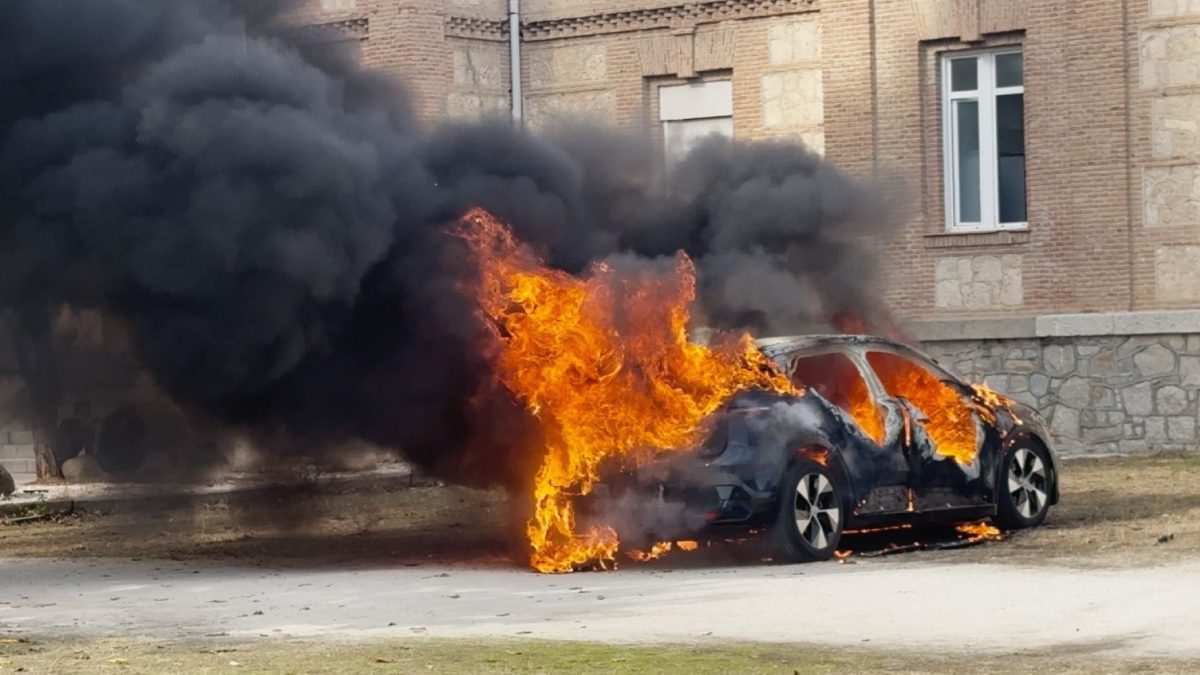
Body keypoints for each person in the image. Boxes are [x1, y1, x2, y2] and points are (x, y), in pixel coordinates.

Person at [96, 406, 146, 473]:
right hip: (111, 462)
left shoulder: (134, 422)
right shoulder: (110, 421)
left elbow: (141, 436)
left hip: (129, 462)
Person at [54, 400, 94, 467]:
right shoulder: (70, 425)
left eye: (88, 412)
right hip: (66, 462)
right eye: (83, 412)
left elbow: (89, 449)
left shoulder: (84, 427)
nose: (86, 414)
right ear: (76, 413)